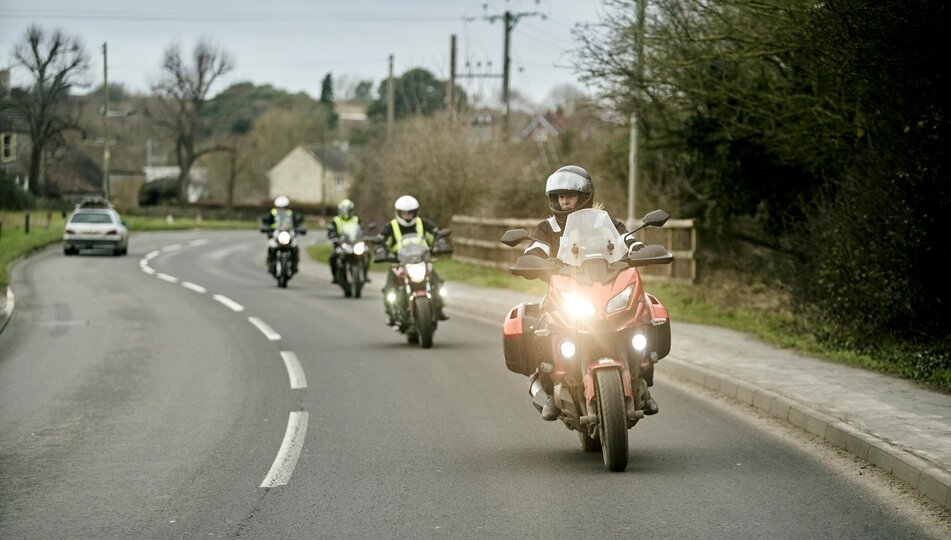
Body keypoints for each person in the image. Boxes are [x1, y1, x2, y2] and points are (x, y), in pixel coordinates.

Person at [524, 165, 659, 420]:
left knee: (644, 315)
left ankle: (644, 380)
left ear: (584, 195)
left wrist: (639, 247)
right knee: (543, 325)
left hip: (603, 286)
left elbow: (625, 239)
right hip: (563, 290)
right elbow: (536, 249)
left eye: (570, 195)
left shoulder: (602, 221)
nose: (564, 201)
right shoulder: (547, 228)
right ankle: (551, 392)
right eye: (559, 196)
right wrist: (530, 259)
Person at [378, 195, 449, 325]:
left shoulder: (423, 223)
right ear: (398, 212)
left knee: (437, 281)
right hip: (399, 263)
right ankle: (391, 312)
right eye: (404, 213)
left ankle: (439, 307)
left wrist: (441, 242)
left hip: (421, 261)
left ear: (415, 212)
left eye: (410, 212)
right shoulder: (391, 226)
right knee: (389, 286)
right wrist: (380, 250)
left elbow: (436, 234)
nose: (407, 215)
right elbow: (381, 240)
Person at [327, 199, 370, 284]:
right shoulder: (336, 220)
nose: (346, 212)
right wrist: (333, 237)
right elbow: (331, 231)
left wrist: (365, 235)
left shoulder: (356, 219)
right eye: (344, 210)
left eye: (348, 210)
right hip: (341, 244)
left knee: (368, 254)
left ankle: (365, 275)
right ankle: (335, 276)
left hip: (354, 243)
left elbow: (362, 229)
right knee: (333, 257)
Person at [261, 195, 305, 274]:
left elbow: (297, 222)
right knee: (270, 246)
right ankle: (269, 262)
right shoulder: (273, 213)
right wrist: (265, 227)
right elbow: (266, 222)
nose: (281, 209)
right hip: (276, 233)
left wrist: (300, 228)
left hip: (288, 233)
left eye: (284, 207)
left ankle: (294, 265)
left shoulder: (290, 213)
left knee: (295, 246)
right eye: (280, 207)